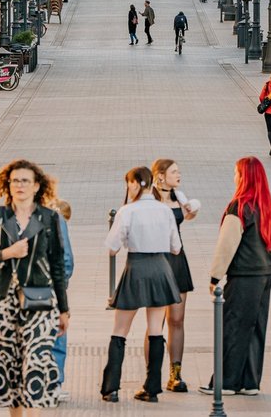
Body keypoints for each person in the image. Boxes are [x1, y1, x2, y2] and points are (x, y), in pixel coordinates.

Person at [0, 160, 69, 413]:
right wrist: (6, 253)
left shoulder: (49, 219)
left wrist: (64, 309)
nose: (20, 185)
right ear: (8, 185)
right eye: (15, 180)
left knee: (35, 364)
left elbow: (57, 264)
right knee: (9, 368)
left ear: (37, 186)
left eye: (25, 180)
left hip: (40, 300)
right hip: (1, 302)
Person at [100, 167, 181, 404]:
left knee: (120, 330)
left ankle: (111, 387)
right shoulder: (164, 210)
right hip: (161, 268)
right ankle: (152, 387)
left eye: (128, 184)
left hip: (136, 267)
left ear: (135, 184)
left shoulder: (128, 211)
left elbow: (112, 248)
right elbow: (176, 247)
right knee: (156, 328)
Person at [201, 156, 271, 396]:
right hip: (264, 274)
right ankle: (250, 381)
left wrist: (215, 277)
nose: (234, 177)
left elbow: (227, 245)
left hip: (243, 274)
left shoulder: (240, 206)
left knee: (233, 327)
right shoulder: (265, 206)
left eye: (236, 173)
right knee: (255, 327)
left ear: (244, 177)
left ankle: (228, 382)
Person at [151, 159, 200, 393]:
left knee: (177, 320)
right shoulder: (149, 199)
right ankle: (152, 375)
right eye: (174, 172)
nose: (179, 174)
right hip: (156, 261)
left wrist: (190, 212)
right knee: (156, 322)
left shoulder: (178, 196)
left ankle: (175, 374)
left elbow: (185, 218)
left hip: (177, 260)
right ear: (160, 176)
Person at [48, 199, 74, 402]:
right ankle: (53, 384)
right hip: (52, 289)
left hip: (26, 289)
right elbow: (66, 259)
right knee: (57, 335)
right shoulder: (56, 219)